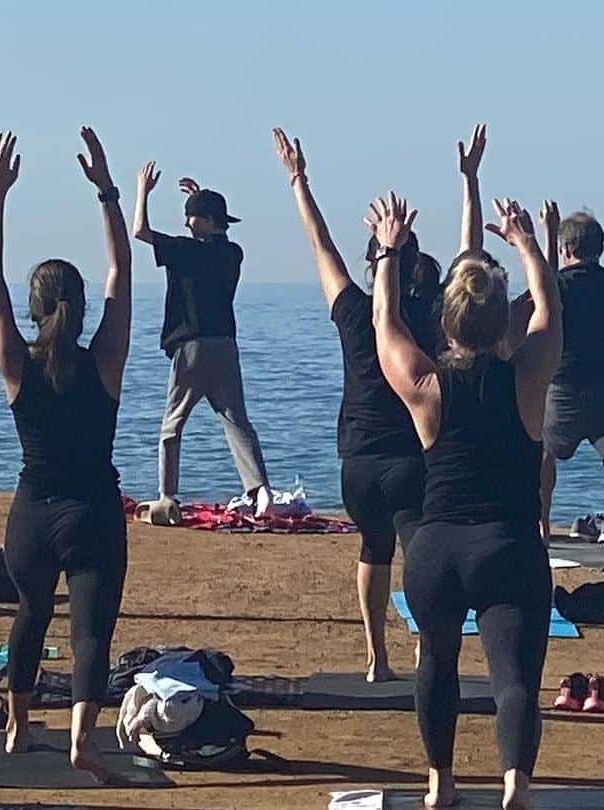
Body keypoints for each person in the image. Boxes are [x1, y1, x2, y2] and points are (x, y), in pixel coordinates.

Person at [370, 193, 560, 809]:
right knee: (514, 678)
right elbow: (550, 312)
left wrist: (389, 255)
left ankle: (439, 782)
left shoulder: (427, 387)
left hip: (438, 550)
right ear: (503, 321)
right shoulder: (527, 377)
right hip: (509, 547)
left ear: (447, 326)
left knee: (438, 665)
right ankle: (516, 783)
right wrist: (529, 244)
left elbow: (386, 326)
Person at [272, 127, 449, 681]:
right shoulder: (428, 317)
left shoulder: (352, 312)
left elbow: (320, 245)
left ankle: (377, 659)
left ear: (374, 264)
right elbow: (471, 255)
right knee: (422, 554)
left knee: (374, 548)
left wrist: (298, 181)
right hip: (409, 464)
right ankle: (426, 647)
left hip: (358, 465)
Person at [0, 128, 130, 781]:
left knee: (31, 614)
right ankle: (81, 740)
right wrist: (107, 191)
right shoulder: (103, 362)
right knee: (90, 630)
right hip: (93, 513)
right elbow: (120, 275)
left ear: (37, 308)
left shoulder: (16, 361)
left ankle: (17, 727)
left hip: (31, 516)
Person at [132, 163, 275, 518]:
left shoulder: (185, 251)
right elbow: (210, 230)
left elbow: (139, 231)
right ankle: (260, 492)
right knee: (236, 420)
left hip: (192, 347)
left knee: (172, 425)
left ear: (207, 220)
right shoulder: (232, 253)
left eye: (191, 216)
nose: (185, 222)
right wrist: (200, 197)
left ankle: (168, 496)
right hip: (225, 344)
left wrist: (143, 192)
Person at [534, 207, 604, 540]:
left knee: (544, 453)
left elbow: (543, 290)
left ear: (567, 250)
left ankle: (541, 522)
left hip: (562, 385)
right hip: (601, 385)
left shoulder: (560, 284)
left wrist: (546, 233)